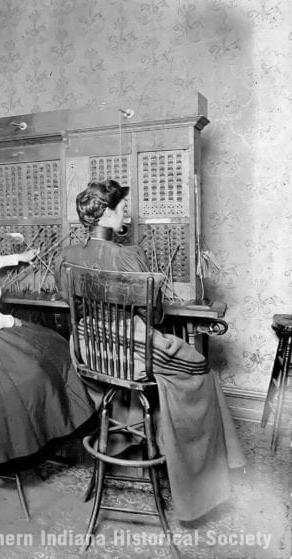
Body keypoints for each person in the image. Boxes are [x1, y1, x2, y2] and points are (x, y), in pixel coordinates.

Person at [54, 179, 246, 522]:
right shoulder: (130, 255)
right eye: (122, 208)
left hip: (90, 349)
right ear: (109, 214)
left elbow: (69, 303)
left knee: (171, 368)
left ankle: (134, 437)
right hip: (133, 355)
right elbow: (154, 315)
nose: (126, 213)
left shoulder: (67, 257)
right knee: (201, 371)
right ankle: (201, 482)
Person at [0, 209, 94, 470]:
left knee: (45, 346)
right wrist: (13, 321)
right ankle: (56, 432)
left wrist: (18, 258)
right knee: (49, 350)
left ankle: (60, 425)